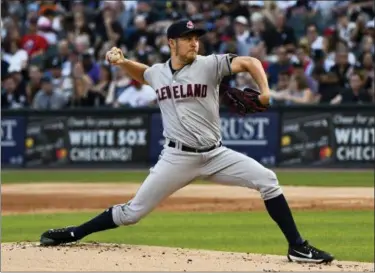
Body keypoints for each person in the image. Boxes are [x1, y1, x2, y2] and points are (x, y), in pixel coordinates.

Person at [39, 19, 334, 264]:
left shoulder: (209, 65)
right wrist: (123, 62)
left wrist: (265, 90)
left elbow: (250, 61)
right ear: (171, 43)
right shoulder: (159, 72)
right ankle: (75, 233)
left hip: (216, 154)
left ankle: (297, 247)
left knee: (268, 179)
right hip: (177, 158)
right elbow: (144, 74)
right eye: (187, 38)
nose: (194, 42)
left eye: (196, 38)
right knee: (132, 213)